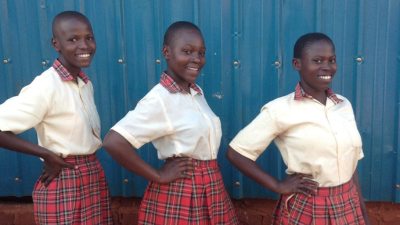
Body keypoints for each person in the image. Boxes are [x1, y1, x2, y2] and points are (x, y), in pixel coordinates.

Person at [103, 21, 239, 225]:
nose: (196, 59)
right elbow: (113, 142)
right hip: (182, 194)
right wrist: (158, 175)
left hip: (210, 188)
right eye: (187, 51)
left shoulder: (194, 93)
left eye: (201, 53)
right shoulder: (160, 99)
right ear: (166, 52)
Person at [226, 33, 370, 225]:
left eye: (331, 60)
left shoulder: (343, 105)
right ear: (297, 64)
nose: (326, 66)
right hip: (308, 207)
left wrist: (363, 214)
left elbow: (351, 165)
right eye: (317, 60)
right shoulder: (280, 110)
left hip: (348, 204)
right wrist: (277, 185)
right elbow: (237, 153)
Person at [0, 11, 114, 224]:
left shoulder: (84, 84)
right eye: (73, 39)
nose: (84, 46)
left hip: (91, 173)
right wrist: (47, 154)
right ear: (56, 44)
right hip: (64, 178)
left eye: (89, 38)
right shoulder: (46, 86)